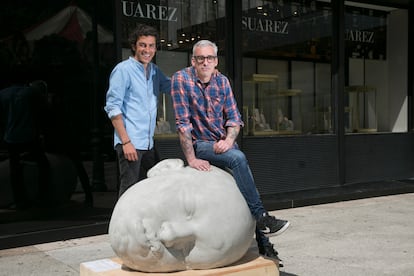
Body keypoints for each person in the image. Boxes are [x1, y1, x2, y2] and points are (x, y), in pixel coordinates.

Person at [170, 40, 290, 263]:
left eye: (210, 58)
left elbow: (234, 119)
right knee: (238, 157)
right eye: (200, 58)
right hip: (200, 144)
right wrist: (192, 158)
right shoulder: (181, 79)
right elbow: (183, 123)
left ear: (216, 61)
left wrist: (228, 139)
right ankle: (263, 219)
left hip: (222, 144)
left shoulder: (222, 81)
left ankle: (263, 238)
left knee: (246, 181)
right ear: (193, 60)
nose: (205, 62)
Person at [104, 24, 171, 198]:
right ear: (134, 46)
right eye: (142, 45)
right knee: (129, 193)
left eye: (151, 46)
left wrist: (198, 73)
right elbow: (113, 107)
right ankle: (121, 226)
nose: (147, 50)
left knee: (155, 186)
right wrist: (126, 142)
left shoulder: (154, 71)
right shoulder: (123, 70)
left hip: (147, 143)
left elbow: (172, 86)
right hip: (131, 142)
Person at [0, 80, 50, 210]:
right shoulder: (30, 93)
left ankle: (20, 199)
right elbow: (42, 111)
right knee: (43, 165)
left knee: (15, 169)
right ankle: (43, 196)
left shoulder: (3, 94)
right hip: (29, 133)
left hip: (11, 136)